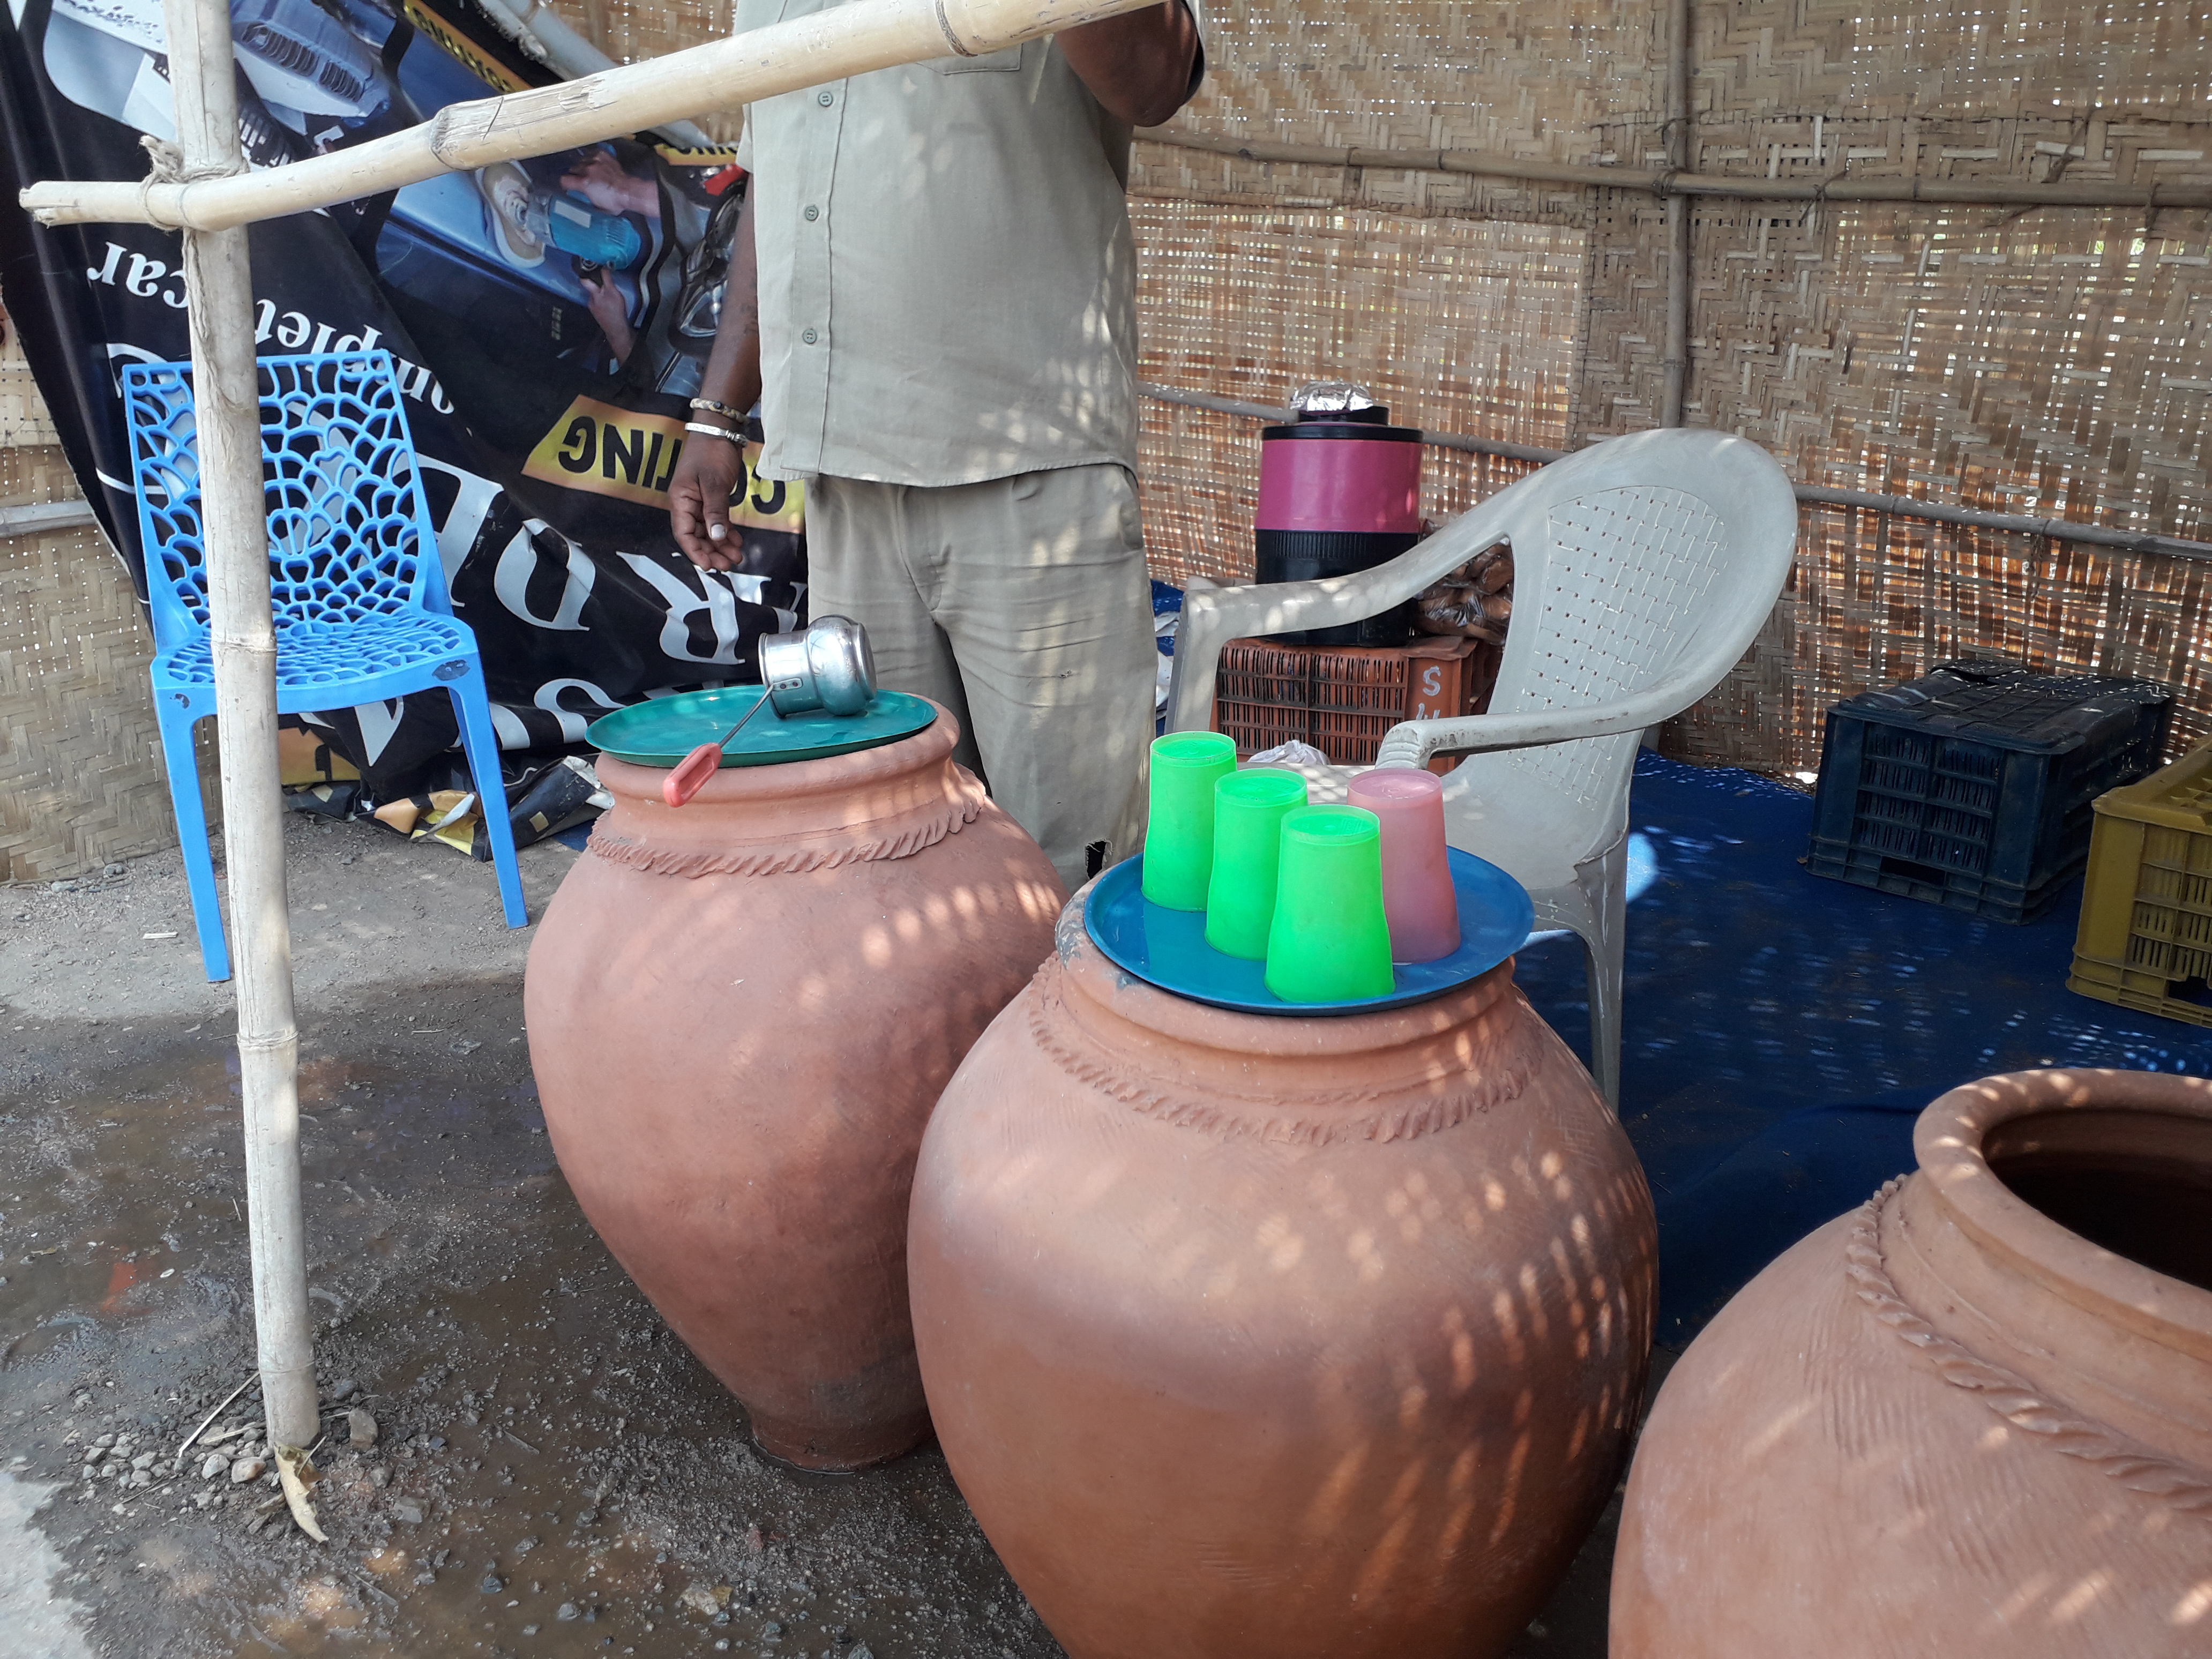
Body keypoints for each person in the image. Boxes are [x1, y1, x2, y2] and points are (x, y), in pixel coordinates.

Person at [664, 0, 1204, 889]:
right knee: (893, 857)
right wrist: (718, 414)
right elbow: (776, 178)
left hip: (1026, 464)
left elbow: (1155, 81)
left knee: (1073, 866)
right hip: (848, 475)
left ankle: (1068, 1033)